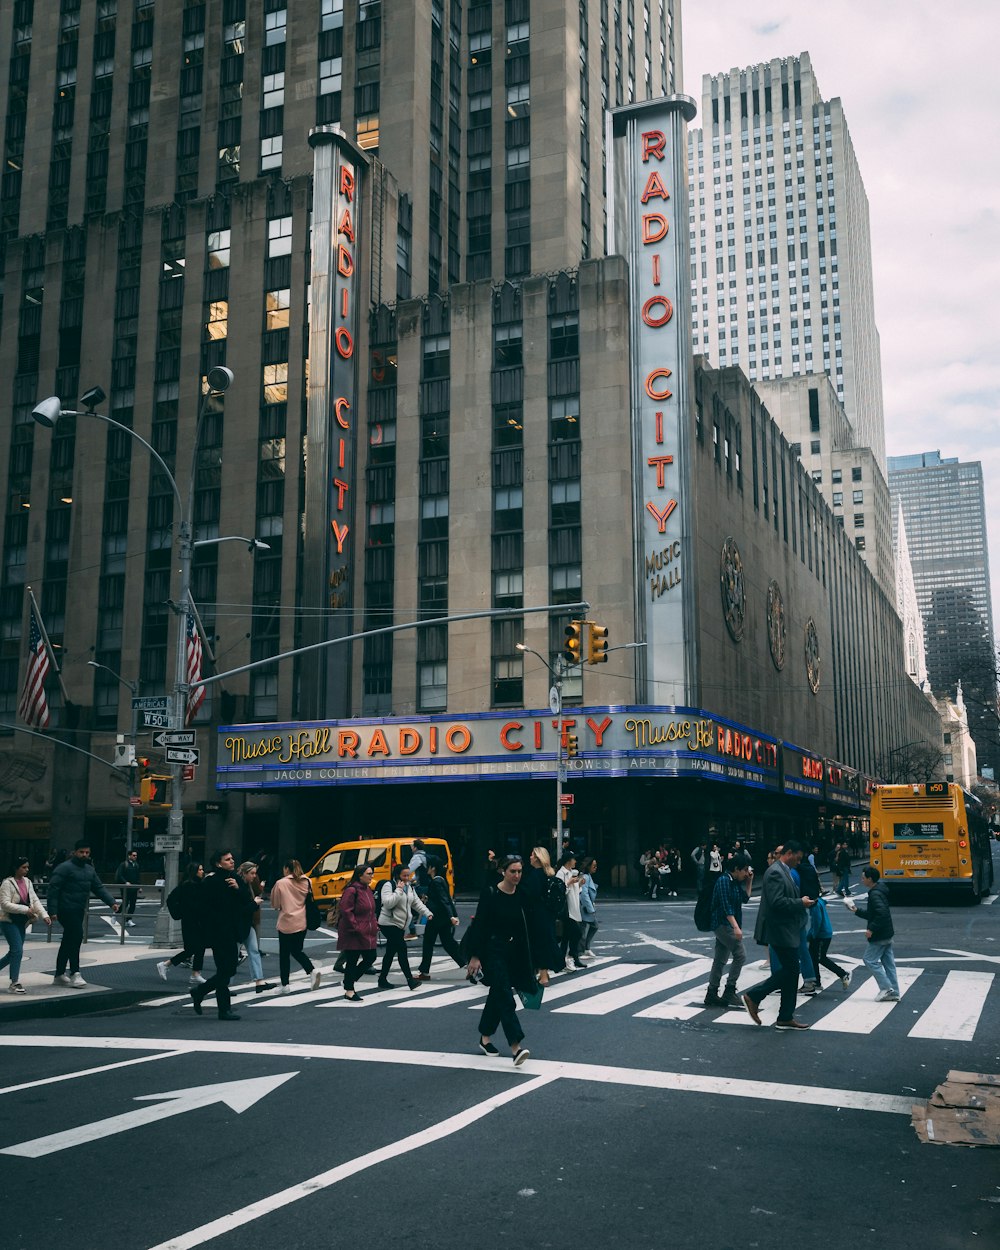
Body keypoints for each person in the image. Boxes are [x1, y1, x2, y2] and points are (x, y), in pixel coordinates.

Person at [466, 854, 535, 1066]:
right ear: (502, 871)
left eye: (520, 871)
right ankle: (516, 1047)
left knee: (498, 993)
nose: (517, 875)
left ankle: (485, 1038)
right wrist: (475, 956)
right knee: (505, 996)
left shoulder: (522, 894)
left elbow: (526, 927)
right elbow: (480, 926)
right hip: (493, 950)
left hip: (514, 952)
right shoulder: (491, 893)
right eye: (512, 871)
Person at [741, 840, 816, 1030]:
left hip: (785, 929)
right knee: (791, 969)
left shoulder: (785, 871)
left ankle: (785, 1016)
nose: (799, 862)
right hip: (779, 929)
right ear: (789, 853)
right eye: (798, 858)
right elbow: (777, 902)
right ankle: (755, 996)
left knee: (791, 971)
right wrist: (801, 903)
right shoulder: (775, 872)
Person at [191, 849, 255, 1020]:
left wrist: (237, 888)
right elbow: (202, 907)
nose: (232, 861)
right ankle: (223, 1009)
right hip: (218, 932)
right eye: (227, 859)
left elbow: (246, 901)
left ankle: (200, 991)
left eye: (232, 858)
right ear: (218, 863)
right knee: (225, 969)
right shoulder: (211, 881)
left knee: (229, 969)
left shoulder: (236, 879)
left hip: (232, 931)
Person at [47, 840, 119, 987]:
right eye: (81, 852)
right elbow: (53, 889)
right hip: (65, 909)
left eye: (87, 852)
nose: (84, 855)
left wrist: (111, 902)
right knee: (76, 937)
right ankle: (75, 973)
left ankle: (59, 974)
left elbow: (98, 888)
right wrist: (52, 910)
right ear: (75, 852)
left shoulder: (89, 869)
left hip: (78, 909)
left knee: (68, 940)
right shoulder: (64, 868)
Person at [704, 850, 752, 1009]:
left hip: (727, 924)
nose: (746, 873)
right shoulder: (724, 880)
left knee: (720, 958)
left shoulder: (734, 882)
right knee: (740, 955)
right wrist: (736, 927)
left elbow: (745, 898)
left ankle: (711, 993)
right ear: (736, 868)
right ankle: (729, 990)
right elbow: (726, 907)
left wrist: (749, 882)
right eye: (744, 870)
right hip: (722, 924)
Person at [270, 859, 323, 995]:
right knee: (297, 950)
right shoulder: (307, 882)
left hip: (286, 922)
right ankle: (311, 970)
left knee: (284, 954)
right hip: (302, 921)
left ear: (287, 869)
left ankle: (285, 984)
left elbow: (275, 904)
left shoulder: (281, 883)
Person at [846, 866, 898, 1001]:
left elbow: (881, 914)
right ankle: (894, 992)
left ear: (870, 879)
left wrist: (871, 929)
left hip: (880, 934)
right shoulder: (879, 891)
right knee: (888, 964)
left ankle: (886, 988)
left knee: (869, 960)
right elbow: (873, 914)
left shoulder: (874, 894)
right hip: (887, 932)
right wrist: (856, 910)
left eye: (863, 878)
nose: (861, 880)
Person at [376, 863, 432, 989]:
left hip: (400, 925)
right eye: (404, 875)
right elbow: (388, 903)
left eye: (409, 875)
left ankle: (382, 979)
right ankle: (410, 980)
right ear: (397, 875)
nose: (407, 878)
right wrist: (398, 890)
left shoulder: (409, 887)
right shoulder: (389, 885)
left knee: (390, 952)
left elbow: (416, 903)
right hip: (388, 923)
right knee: (402, 949)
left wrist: (427, 913)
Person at [0, 856, 51, 992]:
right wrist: (25, 910)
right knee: (17, 950)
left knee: (14, 952)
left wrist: (44, 915)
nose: (26, 870)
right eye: (23, 867)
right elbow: (4, 904)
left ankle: (14, 982)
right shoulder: (7, 883)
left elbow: (35, 900)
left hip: (21, 921)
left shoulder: (27, 882)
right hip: (8, 920)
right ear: (15, 868)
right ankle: (14, 982)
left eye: (27, 867)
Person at [156, 862, 208, 986]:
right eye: (200, 869)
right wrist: (180, 913)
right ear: (194, 871)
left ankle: (195, 973)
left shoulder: (199, 884)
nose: (202, 871)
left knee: (199, 947)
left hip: (198, 921)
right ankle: (166, 964)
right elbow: (171, 899)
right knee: (193, 948)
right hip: (191, 921)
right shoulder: (187, 885)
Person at [521, 846, 564, 986]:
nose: (530, 857)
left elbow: (530, 895)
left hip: (536, 914)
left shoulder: (535, 875)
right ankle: (542, 973)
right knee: (546, 941)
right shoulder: (549, 874)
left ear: (538, 858)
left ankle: (543, 975)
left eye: (532, 855)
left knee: (538, 943)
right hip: (548, 913)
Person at [415, 857, 463, 980]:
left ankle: (424, 972)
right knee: (448, 943)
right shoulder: (441, 880)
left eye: (429, 866)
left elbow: (444, 900)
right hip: (444, 918)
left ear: (433, 868)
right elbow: (446, 899)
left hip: (437, 918)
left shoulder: (436, 882)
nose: (427, 869)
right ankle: (466, 963)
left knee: (428, 943)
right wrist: (451, 915)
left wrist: (451, 915)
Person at [337, 864, 379, 1002]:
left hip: (367, 931)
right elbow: (346, 910)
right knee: (352, 960)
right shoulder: (351, 890)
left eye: (372, 873)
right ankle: (349, 990)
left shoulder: (367, 890)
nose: (371, 876)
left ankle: (349, 981)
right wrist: (356, 927)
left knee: (371, 957)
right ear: (360, 875)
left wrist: (374, 925)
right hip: (353, 932)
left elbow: (371, 911)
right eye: (369, 873)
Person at [236, 861, 274, 993]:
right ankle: (224, 984)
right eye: (252, 873)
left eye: (255, 873)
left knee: (254, 951)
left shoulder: (247, 885)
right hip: (237, 925)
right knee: (233, 956)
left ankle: (259, 981)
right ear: (244, 873)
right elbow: (240, 908)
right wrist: (254, 903)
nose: (254, 876)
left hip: (248, 923)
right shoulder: (238, 886)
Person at [807, 894, 851, 992]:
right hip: (824, 933)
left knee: (819, 958)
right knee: (815, 958)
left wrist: (811, 936)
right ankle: (817, 982)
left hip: (820, 935)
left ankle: (842, 974)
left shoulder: (815, 905)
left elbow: (817, 922)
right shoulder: (819, 901)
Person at [556, 852, 586, 970]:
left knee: (566, 936)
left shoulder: (571, 873)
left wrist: (578, 884)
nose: (575, 862)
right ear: (568, 860)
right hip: (566, 909)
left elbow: (575, 891)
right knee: (576, 933)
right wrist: (569, 883)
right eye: (574, 860)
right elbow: (559, 891)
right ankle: (571, 956)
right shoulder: (561, 873)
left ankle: (567, 959)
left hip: (573, 906)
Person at [406, 838, 429, 938]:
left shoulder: (417, 857)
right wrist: (412, 880)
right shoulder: (424, 855)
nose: (411, 848)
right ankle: (416, 918)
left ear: (415, 847)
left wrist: (402, 877)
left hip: (423, 886)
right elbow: (419, 873)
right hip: (427, 885)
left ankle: (412, 931)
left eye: (412, 846)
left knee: (406, 904)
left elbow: (408, 871)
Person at [578, 856, 599, 957]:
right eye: (594, 866)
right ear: (589, 866)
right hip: (584, 908)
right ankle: (582, 950)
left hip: (587, 907)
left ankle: (585, 948)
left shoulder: (587, 876)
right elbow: (584, 894)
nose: (595, 868)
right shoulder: (585, 877)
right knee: (584, 928)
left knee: (589, 927)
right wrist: (590, 908)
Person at [115, 849, 141, 925]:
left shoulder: (136, 865)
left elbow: (138, 876)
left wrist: (139, 886)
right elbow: (120, 875)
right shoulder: (124, 864)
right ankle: (116, 912)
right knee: (125, 903)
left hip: (134, 887)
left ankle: (128, 920)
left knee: (133, 904)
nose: (135, 857)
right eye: (133, 855)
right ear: (129, 856)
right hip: (125, 887)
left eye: (136, 855)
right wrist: (125, 882)